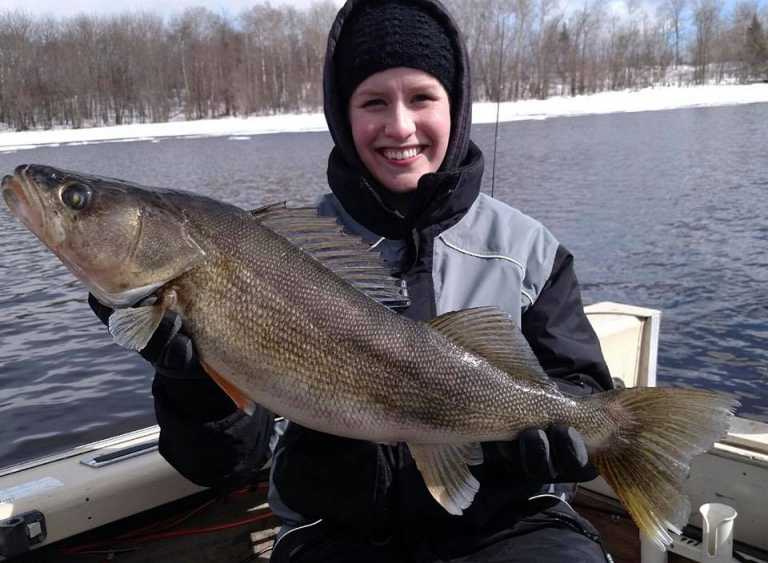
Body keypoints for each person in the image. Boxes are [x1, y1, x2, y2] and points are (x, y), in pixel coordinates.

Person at [90, 0, 614, 561]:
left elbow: (583, 391)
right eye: (372, 102)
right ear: (342, 115)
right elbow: (222, 468)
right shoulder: (280, 252)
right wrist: (193, 386)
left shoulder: (529, 250)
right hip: (336, 531)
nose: (399, 125)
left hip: (512, 523)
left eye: (422, 97)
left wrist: (562, 441)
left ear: (456, 108)